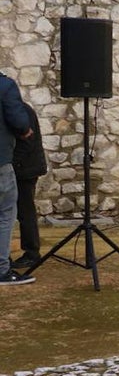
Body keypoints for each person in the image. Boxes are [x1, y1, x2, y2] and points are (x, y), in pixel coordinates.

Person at [0, 71, 35, 286]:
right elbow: (20, 121)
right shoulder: (5, 86)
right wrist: (25, 132)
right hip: (0, 161)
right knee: (5, 215)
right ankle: (2, 269)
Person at [12, 101, 46, 270]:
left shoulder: (21, 111)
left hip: (26, 169)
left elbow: (27, 142)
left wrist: (10, 164)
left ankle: (32, 253)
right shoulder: (17, 109)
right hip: (21, 167)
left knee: (25, 211)